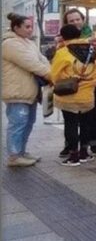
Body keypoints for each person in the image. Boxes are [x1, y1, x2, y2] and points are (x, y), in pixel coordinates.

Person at [57, 8, 96, 158]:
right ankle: (71, 145)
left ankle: (91, 144)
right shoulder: (62, 41)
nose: (75, 23)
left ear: (83, 20)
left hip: (92, 83)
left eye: (77, 19)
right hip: (69, 84)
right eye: (71, 21)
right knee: (71, 117)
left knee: (93, 115)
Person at [2, 13, 51, 167]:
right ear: (16, 28)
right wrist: (51, 75)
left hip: (29, 91)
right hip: (17, 92)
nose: (31, 30)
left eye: (32, 26)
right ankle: (14, 156)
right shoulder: (10, 43)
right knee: (18, 124)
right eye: (27, 27)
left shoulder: (28, 43)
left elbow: (42, 60)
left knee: (28, 123)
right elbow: (32, 64)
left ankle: (21, 151)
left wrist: (49, 70)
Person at [51, 24, 96, 166]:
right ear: (79, 35)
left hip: (69, 95)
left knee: (71, 124)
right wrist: (90, 85)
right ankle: (84, 153)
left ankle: (73, 156)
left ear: (63, 37)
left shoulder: (63, 52)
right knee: (86, 123)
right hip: (87, 95)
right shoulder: (94, 50)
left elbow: (55, 75)